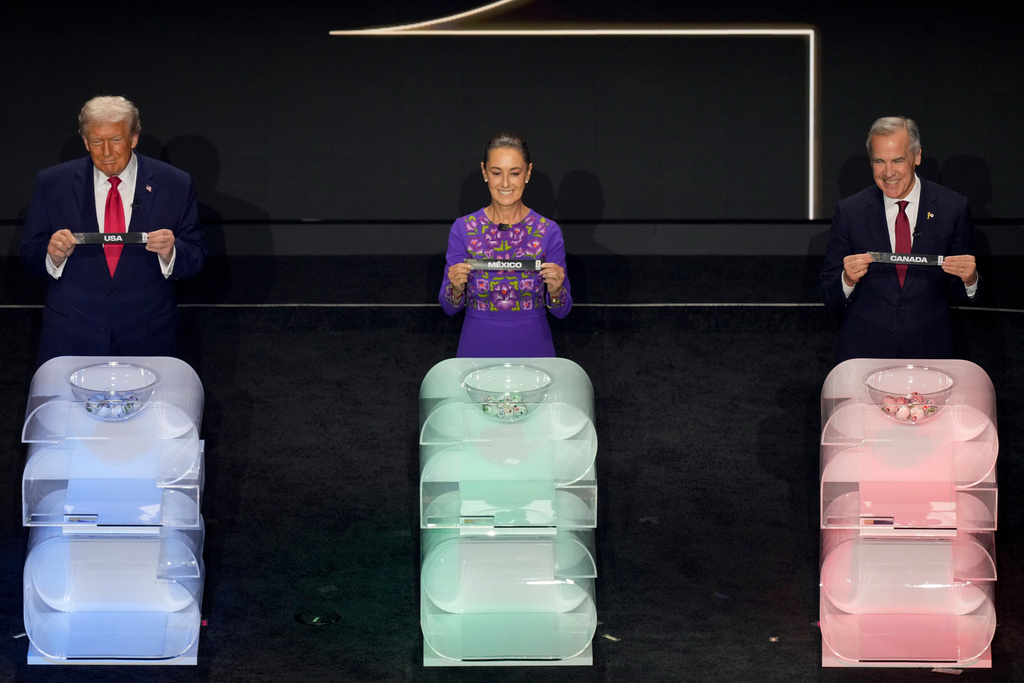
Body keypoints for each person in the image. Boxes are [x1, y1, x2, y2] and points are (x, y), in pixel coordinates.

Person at [21, 95, 206, 365]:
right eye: (97, 141)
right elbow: (29, 253)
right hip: (71, 339)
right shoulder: (52, 183)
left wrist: (173, 252)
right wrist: (51, 256)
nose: (106, 151)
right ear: (85, 141)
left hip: (148, 339)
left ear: (133, 138)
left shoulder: (174, 184)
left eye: (116, 140)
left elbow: (197, 254)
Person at [819, 116, 980, 364]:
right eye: (879, 161)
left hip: (931, 352)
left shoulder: (952, 207)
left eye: (898, 160)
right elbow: (828, 294)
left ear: (917, 156)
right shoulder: (850, 211)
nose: (888, 172)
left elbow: (961, 292)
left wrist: (970, 280)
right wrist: (846, 279)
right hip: (865, 354)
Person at [440, 133, 571, 357]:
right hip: (477, 346)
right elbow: (449, 306)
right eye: (496, 173)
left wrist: (557, 291)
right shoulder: (463, 228)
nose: (505, 183)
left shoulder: (548, 231)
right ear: (484, 172)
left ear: (528, 173)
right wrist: (455, 289)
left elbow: (562, 311)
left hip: (534, 347)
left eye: (515, 173)